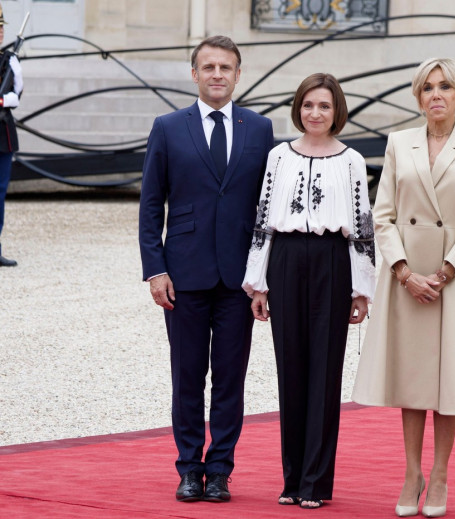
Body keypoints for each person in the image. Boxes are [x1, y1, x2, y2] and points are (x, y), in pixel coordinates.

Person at [351, 57, 455, 518]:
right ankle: (411, 472)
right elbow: (382, 216)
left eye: (444, 87)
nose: (435, 95)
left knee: (450, 378)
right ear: (418, 97)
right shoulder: (399, 143)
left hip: (452, 279)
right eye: (427, 88)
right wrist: (404, 272)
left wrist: (444, 273)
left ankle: (439, 474)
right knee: (413, 378)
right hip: (407, 276)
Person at [138, 35, 274, 503]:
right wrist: (155, 269)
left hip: (239, 278)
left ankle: (220, 470)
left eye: (227, 67)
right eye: (209, 67)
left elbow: (266, 209)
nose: (218, 74)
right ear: (194, 74)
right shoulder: (168, 127)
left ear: (239, 74)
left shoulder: (259, 129)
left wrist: (262, 275)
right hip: (184, 274)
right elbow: (151, 205)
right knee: (188, 375)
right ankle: (189, 469)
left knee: (231, 379)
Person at [242, 73, 375, 510]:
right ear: (297, 109)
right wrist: (257, 282)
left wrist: (362, 289)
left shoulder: (352, 160)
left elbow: (362, 226)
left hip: (332, 262)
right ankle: (292, 478)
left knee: (324, 373)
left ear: (337, 111)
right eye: (307, 105)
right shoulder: (278, 156)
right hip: (284, 262)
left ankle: (316, 483)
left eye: (323, 106)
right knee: (291, 370)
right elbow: (262, 218)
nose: (314, 113)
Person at [0, 2, 23, 268]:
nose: (1, 35)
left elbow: (17, 94)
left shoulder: (10, 60)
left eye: (2, 30)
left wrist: (2, 101)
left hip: (2, 134)